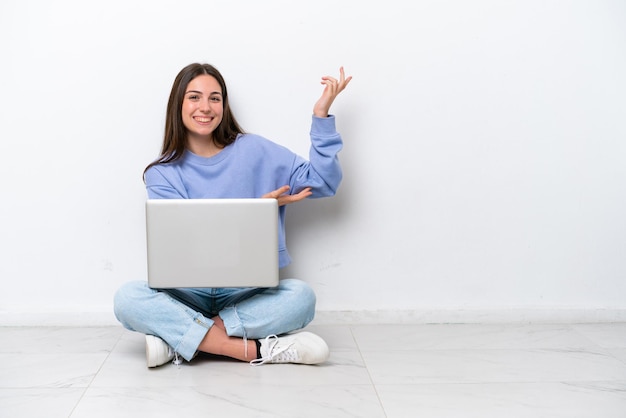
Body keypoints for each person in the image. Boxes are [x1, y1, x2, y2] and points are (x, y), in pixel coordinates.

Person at [114, 63, 351, 368]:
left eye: (215, 98)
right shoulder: (161, 173)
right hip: (187, 294)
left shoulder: (254, 150)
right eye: (194, 97)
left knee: (301, 297)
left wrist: (321, 117)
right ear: (179, 105)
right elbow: (184, 243)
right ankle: (253, 351)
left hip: (245, 292)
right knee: (127, 298)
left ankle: (181, 341)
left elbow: (324, 181)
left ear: (224, 106)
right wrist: (257, 208)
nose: (206, 107)